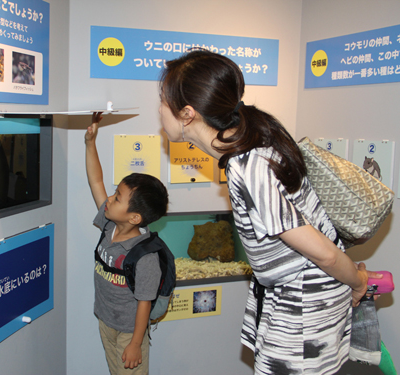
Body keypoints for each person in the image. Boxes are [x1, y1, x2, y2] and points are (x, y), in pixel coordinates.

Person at [158, 49, 379, 374]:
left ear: (188, 113)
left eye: (162, 101)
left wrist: (358, 281)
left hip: (304, 304)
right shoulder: (255, 138)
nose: (159, 110)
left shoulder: (248, 167)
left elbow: (324, 254)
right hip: (302, 294)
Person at [85, 112, 169, 374]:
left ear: (134, 217)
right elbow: (96, 181)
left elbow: (145, 302)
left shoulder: (144, 256)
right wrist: (90, 143)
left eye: (117, 197)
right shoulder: (109, 223)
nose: (109, 198)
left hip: (129, 332)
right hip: (106, 322)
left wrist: (135, 343)